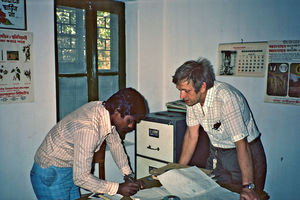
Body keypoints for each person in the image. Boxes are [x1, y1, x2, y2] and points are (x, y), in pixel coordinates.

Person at [172, 58, 267, 200]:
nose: (181, 96)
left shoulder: (226, 98)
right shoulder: (192, 100)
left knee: (245, 197)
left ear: (202, 87)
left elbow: (242, 144)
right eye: (180, 90)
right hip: (217, 151)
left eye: (186, 91)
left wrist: (248, 186)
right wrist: (179, 169)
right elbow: (192, 135)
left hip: (244, 153)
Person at [30, 88, 148, 200]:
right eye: (130, 121)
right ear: (117, 111)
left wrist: (128, 175)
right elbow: (81, 178)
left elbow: (115, 144)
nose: (131, 126)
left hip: (70, 168)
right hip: (51, 172)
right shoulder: (89, 128)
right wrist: (118, 188)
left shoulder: (105, 111)